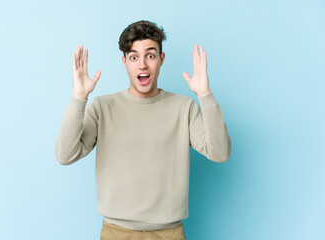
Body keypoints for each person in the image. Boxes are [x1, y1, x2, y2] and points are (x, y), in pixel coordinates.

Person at [55, 20, 231, 240]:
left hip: (169, 233)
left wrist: (205, 95)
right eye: (134, 57)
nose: (142, 65)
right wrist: (79, 98)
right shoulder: (102, 107)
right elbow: (65, 154)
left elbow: (220, 152)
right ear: (125, 62)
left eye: (150, 55)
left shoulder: (183, 107)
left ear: (161, 59)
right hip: (116, 233)